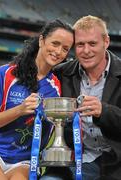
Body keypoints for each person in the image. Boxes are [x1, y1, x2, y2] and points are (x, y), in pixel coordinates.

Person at [0, 19, 74, 180]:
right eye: (55, 43)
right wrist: (19, 110)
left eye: (65, 48)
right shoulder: (5, 75)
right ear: (41, 40)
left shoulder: (56, 88)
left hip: (25, 160)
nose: (58, 51)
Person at [53, 15, 121, 180]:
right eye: (80, 45)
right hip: (74, 159)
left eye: (92, 43)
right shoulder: (61, 73)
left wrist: (103, 111)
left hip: (114, 161)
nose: (86, 51)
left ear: (106, 42)